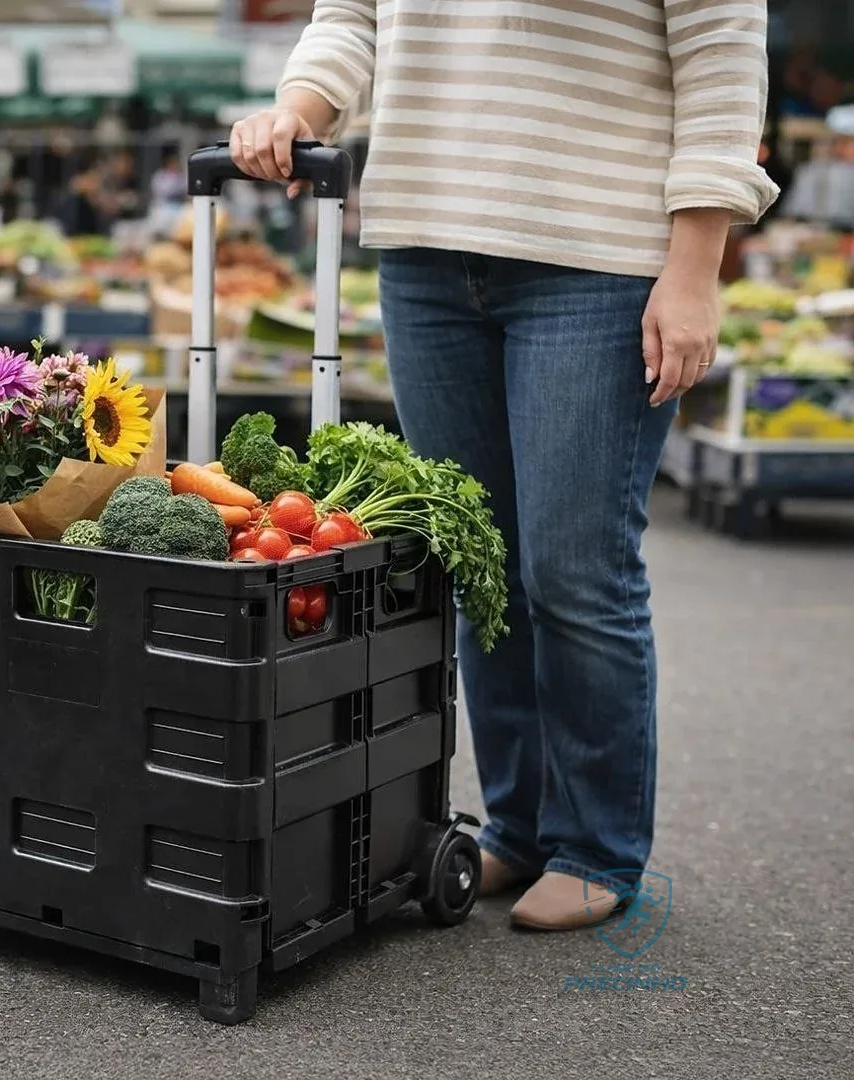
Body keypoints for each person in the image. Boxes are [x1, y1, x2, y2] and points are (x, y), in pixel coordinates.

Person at [231, 1, 778, 930]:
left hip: (595, 262)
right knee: (479, 562)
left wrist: (696, 266)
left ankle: (597, 844)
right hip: (425, 254)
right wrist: (301, 107)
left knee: (573, 568)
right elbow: (353, 14)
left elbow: (720, 48)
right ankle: (520, 825)